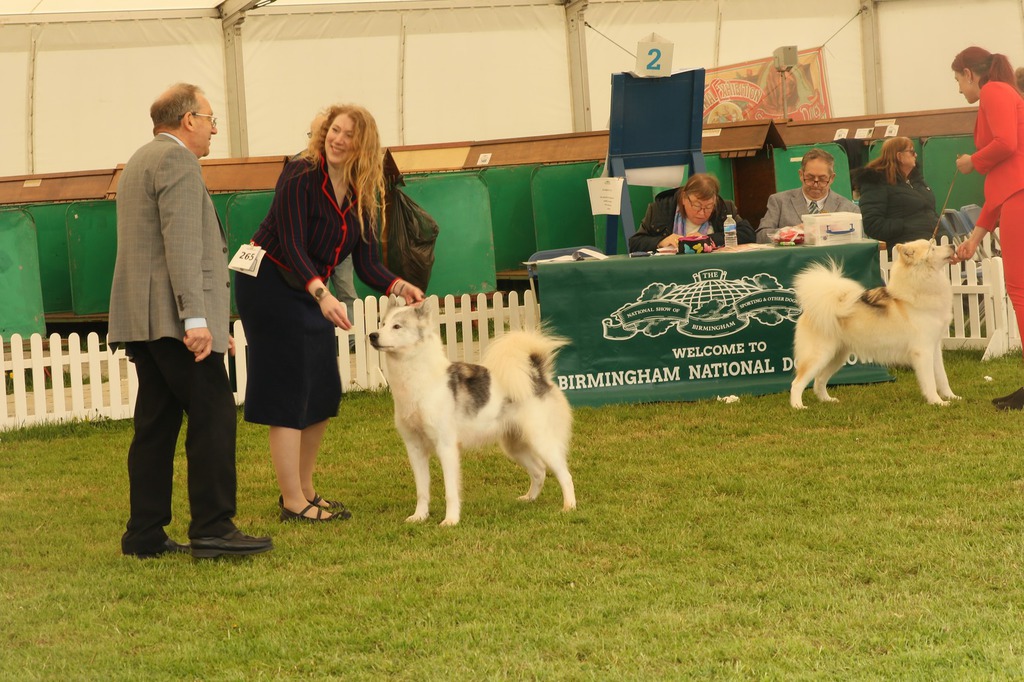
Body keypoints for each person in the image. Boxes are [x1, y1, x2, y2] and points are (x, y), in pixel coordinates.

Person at [235, 104, 425, 522]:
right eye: (334, 130)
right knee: (289, 388)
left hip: (309, 288)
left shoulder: (364, 191)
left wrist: (399, 285)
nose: (337, 139)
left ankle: (305, 490)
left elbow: (368, 263)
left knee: (322, 389)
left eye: (348, 135)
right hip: (270, 282)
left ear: (363, 144)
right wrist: (322, 294)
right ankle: (292, 502)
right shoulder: (300, 173)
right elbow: (292, 244)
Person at [109, 83, 273, 559]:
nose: (214, 129)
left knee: (156, 425)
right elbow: (180, 245)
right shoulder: (177, 161)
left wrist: (208, 320)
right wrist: (196, 318)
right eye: (210, 119)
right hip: (174, 320)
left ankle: (144, 534)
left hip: (145, 319)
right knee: (214, 414)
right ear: (188, 121)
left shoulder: (140, 159)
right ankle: (213, 527)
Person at [950, 47, 1024, 410]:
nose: (959, 89)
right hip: (1014, 196)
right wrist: (975, 238)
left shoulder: (993, 91)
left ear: (969, 73)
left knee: (1019, 290)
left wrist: (972, 161)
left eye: (957, 80)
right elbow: (1001, 182)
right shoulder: (1006, 92)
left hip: (1019, 200)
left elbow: (1006, 144)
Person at [297, 112, 359, 331]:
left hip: (341, 244)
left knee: (347, 291)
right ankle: (322, 334)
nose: (314, 139)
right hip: (312, 247)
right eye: (311, 134)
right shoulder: (299, 165)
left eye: (318, 134)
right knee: (317, 292)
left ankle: (352, 337)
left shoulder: (349, 166)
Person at [628, 173, 755, 253]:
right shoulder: (661, 208)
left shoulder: (723, 208)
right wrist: (662, 241)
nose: (702, 213)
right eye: (697, 206)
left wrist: (708, 240)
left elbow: (748, 234)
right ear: (684, 198)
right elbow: (635, 243)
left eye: (708, 207)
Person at [852, 136, 938, 250]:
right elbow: (873, 225)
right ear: (899, 156)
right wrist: (906, 225)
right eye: (912, 152)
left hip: (933, 243)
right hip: (905, 250)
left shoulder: (917, 180)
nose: (916, 155)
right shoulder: (876, 182)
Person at [756, 148, 859, 243]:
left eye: (822, 179)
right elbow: (761, 236)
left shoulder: (849, 209)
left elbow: (859, 243)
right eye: (810, 178)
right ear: (801, 175)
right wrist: (791, 232)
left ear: (832, 178)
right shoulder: (779, 202)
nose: (815, 184)